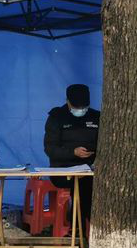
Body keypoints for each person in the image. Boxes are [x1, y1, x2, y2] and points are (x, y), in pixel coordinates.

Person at [43, 84, 100, 230]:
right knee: (82, 185)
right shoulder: (56, 117)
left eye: (84, 107)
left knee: (87, 184)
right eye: (76, 106)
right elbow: (50, 149)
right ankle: (80, 229)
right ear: (68, 102)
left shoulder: (96, 117)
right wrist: (73, 152)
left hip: (91, 169)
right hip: (63, 170)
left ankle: (80, 229)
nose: (81, 110)